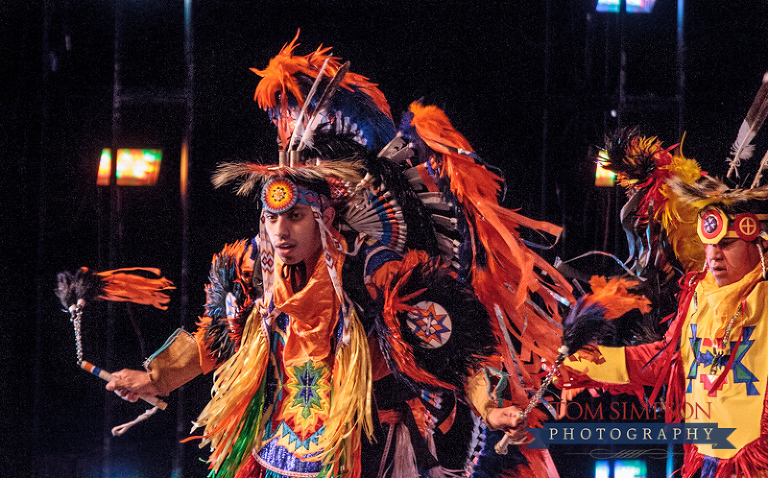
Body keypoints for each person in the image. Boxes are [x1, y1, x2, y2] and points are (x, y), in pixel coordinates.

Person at [107, 32, 572, 477]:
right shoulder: (255, 266)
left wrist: (490, 408)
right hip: (284, 442)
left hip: (370, 441)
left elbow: (450, 346)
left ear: (324, 219)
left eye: (294, 219)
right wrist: (156, 379)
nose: (279, 232)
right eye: (270, 220)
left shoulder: (376, 268)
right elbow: (218, 337)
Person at [563, 173, 768, 477]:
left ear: (758, 244)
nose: (713, 255)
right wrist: (582, 364)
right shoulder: (697, 298)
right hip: (705, 461)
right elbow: (663, 362)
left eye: (726, 243)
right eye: (708, 244)